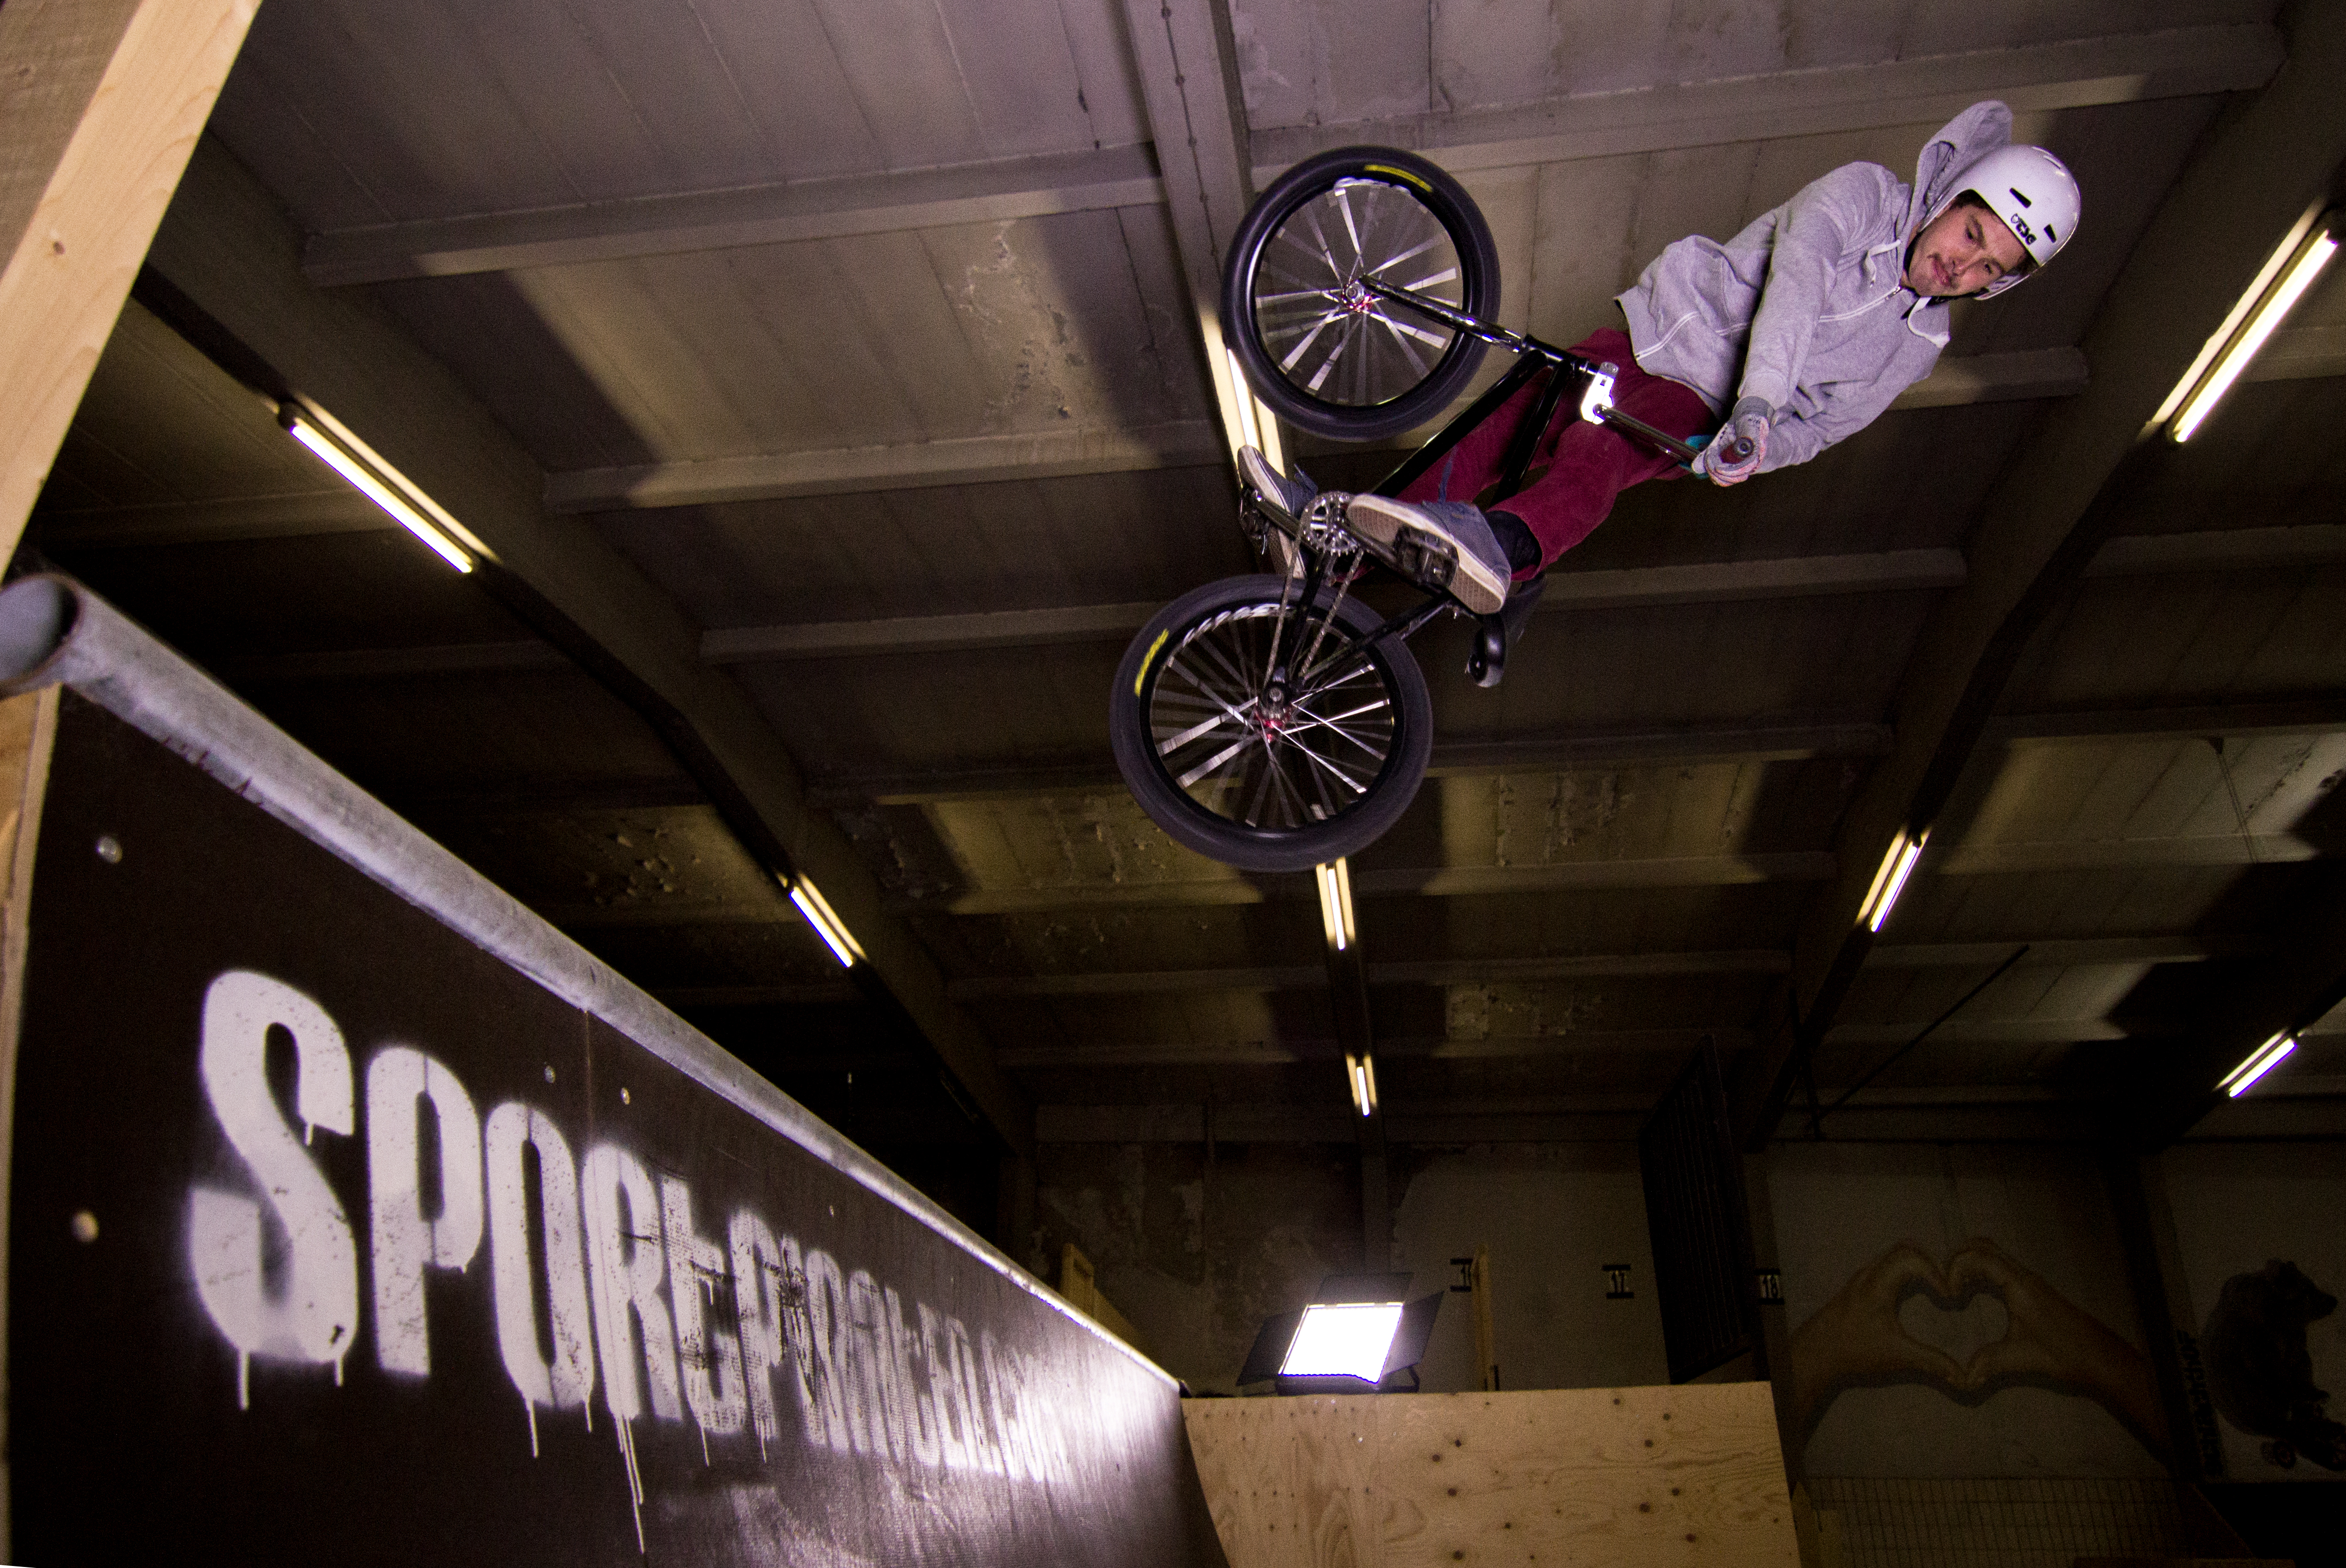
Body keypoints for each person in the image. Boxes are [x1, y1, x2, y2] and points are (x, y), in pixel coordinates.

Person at [1241, 101, 2080, 619]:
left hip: (1700, 404)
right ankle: (1336, 541)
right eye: (1971, 236)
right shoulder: (1868, 196)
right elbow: (1795, 276)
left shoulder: (1915, 347)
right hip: (1670, 324)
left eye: (1988, 270)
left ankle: (1501, 547)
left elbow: (1824, 427)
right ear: (1952, 196)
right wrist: (1766, 397)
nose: (1960, 268)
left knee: (1598, 453)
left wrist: (1755, 442)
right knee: (1506, 420)